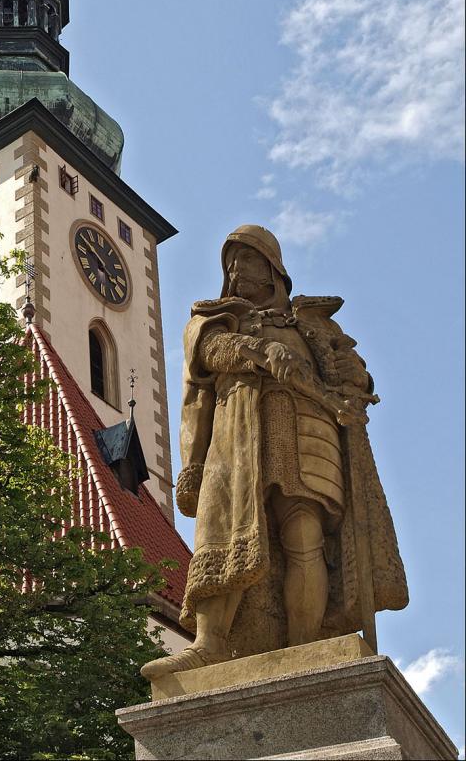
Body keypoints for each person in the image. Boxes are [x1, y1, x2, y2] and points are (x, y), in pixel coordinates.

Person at [142, 225, 407, 680]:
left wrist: (355, 377)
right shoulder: (221, 316)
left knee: (304, 535)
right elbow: (207, 350)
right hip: (239, 432)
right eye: (229, 263)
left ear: (271, 268)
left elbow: (353, 376)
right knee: (221, 534)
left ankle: (305, 649)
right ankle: (209, 645)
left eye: (244, 260)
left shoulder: (316, 324)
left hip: (311, 431)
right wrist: (258, 350)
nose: (233, 270)